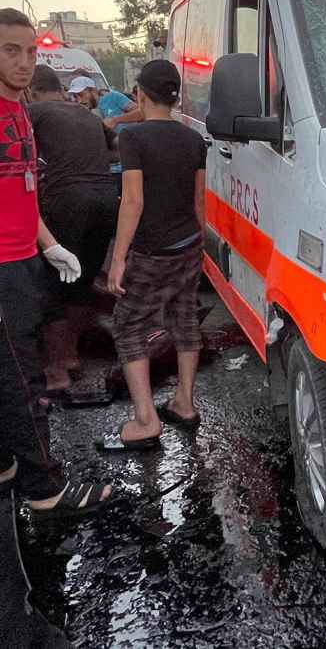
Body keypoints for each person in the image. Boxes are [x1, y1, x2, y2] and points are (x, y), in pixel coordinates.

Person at [0, 7, 118, 518]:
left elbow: (22, 190)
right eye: (12, 50)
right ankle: (44, 489)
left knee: (3, 374)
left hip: (23, 258)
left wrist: (51, 244)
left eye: (31, 51)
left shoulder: (17, 108)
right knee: (25, 380)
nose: (25, 61)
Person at [101, 60, 206, 450]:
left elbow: (132, 201)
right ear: (175, 96)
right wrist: (200, 246)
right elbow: (199, 200)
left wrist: (118, 258)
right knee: (184, 318)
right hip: (188, 245)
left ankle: (146, 420)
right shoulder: (193, 139)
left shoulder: (134, 137)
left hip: (151, 250)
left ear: (141, 94)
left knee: (129, 327)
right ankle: (185, 403)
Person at [26, 64, 118, 396]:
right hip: (107, 201)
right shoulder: (88, 115)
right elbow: (114, 148)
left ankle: (58, 366)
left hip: (66, 202)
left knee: (52, 282)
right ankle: (74, 354)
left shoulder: (32, 111)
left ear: (32, 90)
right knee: (80, 279)